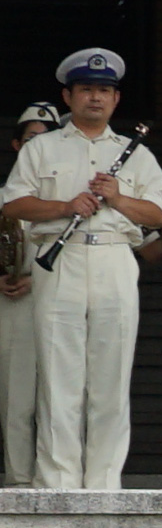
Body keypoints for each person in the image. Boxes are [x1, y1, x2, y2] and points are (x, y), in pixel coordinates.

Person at [0, 50, 162, 489]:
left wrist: (117, 198)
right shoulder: (42, 147)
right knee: (59, 375)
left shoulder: (137, 155)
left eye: (105, 91)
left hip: (114, 257)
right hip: (61, 256)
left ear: (116, 99)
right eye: (87, 89)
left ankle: (104, 482)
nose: (96, 97)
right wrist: (65, 205)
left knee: (110, 377)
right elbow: (15, 203)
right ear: (68, 96)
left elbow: (158, 216)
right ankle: (58, 481)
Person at [0, 103, 58, 486]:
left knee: (61, 392)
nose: (40, 146)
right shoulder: (4, 196)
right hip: (13, 302)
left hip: (57, 296)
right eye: (32, 139)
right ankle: (20, 480)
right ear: (17, 145)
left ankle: (57, 478)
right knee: (17, 395)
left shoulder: (72, 193)